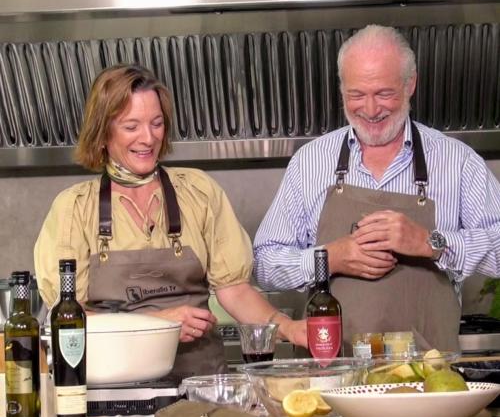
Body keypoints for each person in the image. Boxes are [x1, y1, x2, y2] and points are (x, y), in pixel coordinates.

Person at [34, 64, 307, 382]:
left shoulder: (197, 191)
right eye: (131, 126)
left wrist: (289, 328)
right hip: (115, 391)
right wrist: (161, 323)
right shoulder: (74, 208)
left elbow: (234, 290)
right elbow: (69, 317)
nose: (148, 138)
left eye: (157, 123)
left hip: (200, 383)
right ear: (103, 132)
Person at [253, 24, 500, 353]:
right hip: (333, 372)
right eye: (356, 95)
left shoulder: (457, 162)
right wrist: (329, 258)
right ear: (342, 89)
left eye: (384, 94)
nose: (370, 110)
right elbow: (264, 264)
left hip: (427, 374)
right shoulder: (310, 162)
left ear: (410, 84)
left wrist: (430, 242)